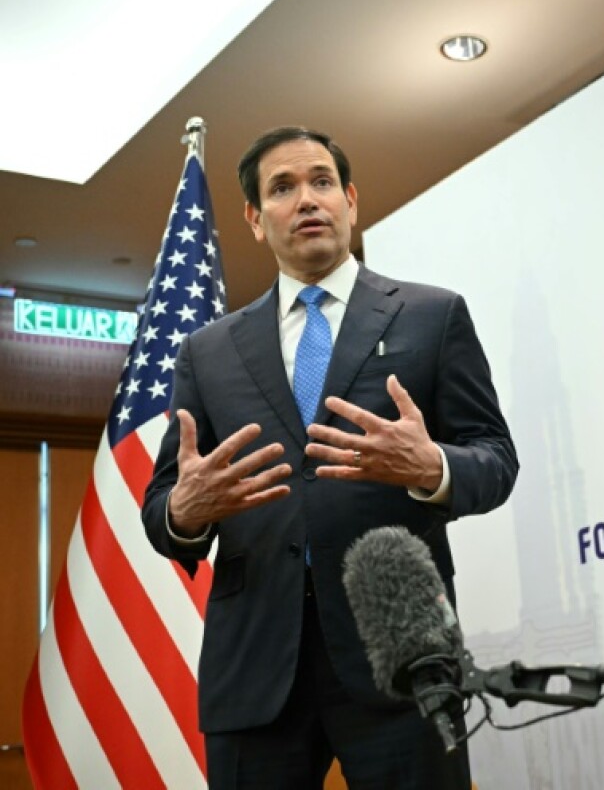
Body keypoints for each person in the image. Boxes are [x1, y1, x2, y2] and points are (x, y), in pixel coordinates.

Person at [142, 126, 517, 789]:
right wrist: (185, 511)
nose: (307, 200)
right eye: (282, 188)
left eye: (321, 182)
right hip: (255, 666)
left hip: (399, 653)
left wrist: (433, 469)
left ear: (350, 200)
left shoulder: (432, 317)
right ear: (257, 221)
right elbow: (163, 508)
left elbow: (495, 460)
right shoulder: (208, 350)